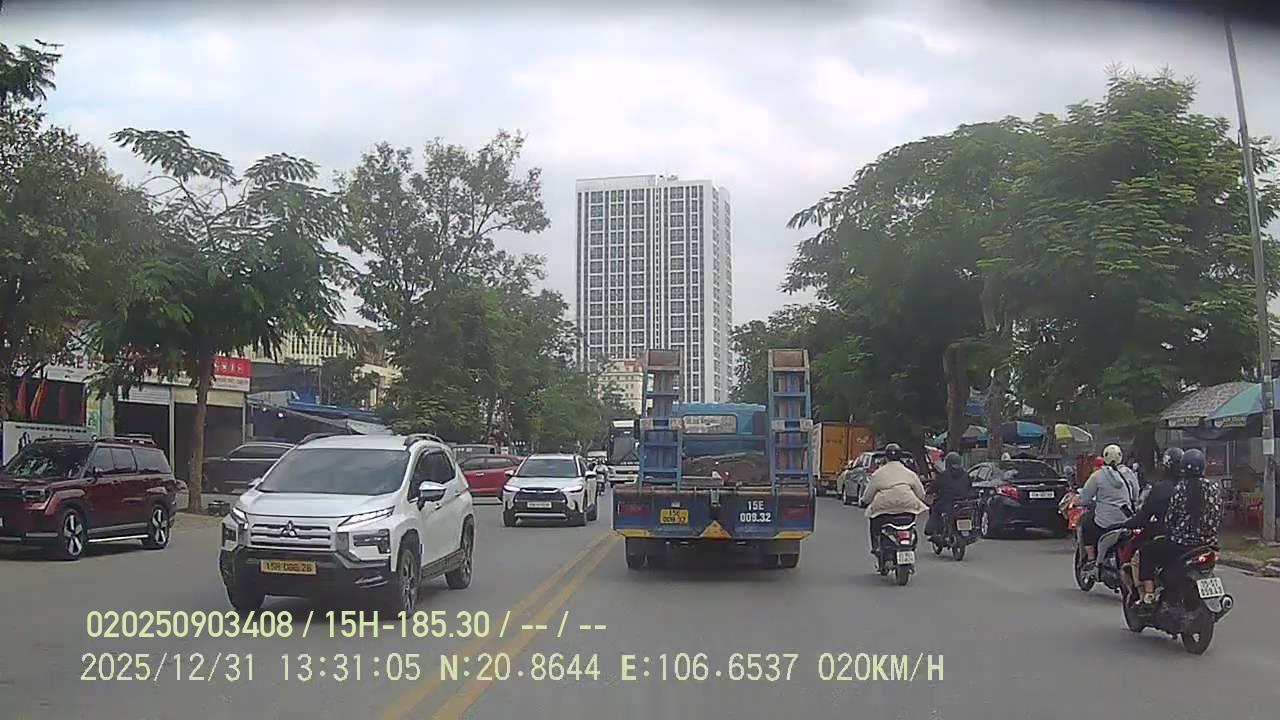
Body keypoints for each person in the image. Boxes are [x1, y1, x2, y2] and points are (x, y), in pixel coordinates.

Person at [1132, 448, 1223, 605]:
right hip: (1209, 544)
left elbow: (1170, 518)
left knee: (1146, 551)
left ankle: (1149, 594)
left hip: (1182, 545)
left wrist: (1171, 529)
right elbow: (1219, 514)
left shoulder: (1180, 488)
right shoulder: (1214, 488)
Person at [1122, 447, 1183, 583]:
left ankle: (1148, 592)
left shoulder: (1161, 489)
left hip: (1171, 538)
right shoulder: (1189, 487)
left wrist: (1130, 522)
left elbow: (1145, 514)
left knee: (1145, 553)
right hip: (1197, 540)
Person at [1076, 444, 1140, 569]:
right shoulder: (1129, 473)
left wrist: (1077, 501)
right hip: (1127, 519)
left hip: (1104, 523)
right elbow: (1136, 495)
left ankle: (1091, 559)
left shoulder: (1098, 476)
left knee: (1085, 523)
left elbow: (1084, 499)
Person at [860, 443, 929, 554]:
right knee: (910, 526)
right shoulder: (910, 473)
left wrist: (864, 502)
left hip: (883, 510)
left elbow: (868, 495)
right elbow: (921, 494)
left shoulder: (878, 474)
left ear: (886, 457)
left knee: (874, 521)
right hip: (908, 509)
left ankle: (876, 546)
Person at [926, 452, 971, 537]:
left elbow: (935, 486)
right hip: (963, 503)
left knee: (935, 509)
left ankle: (935, 531)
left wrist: (929, 490)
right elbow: (969, 487)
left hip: (947, 502)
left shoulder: (944, 475)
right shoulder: (966, 475)